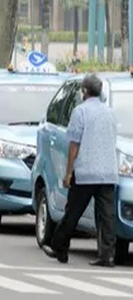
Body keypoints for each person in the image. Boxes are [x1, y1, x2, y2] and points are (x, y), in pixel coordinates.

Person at [42, 74, 118, 267]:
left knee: (73, 212)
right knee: (107, 216)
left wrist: (68, 173)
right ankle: (107, 255)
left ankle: (60, 247)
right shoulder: (110, 113)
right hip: (108, 172)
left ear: (84, 91)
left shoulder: (80, 112)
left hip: (85, 173)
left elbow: (74, 145)